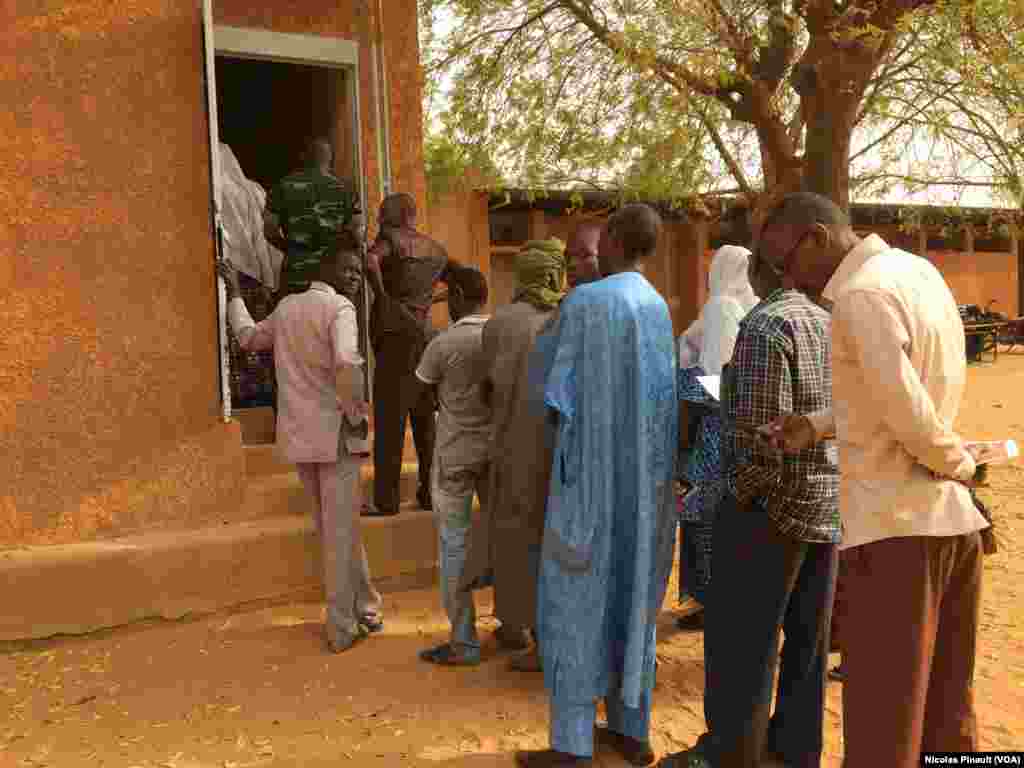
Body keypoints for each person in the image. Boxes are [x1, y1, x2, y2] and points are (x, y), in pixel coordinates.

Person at [762, 192, 987, 768]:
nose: (786, 280)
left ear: (816, 237)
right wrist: (815, 427)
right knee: (946, 717)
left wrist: (963, 465)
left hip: (896, 533)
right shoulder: (917, 271)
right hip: (949, 525)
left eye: (784, 263)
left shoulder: (861, 297)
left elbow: (907, 413)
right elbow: (890, 399)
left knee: (884, 724)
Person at [660, 198, 840, 768]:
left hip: (770, 511)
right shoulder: (826, 318)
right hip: (825, 506)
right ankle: (794, 750)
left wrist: (739, 498)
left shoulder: (766, 325)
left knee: (743, 642)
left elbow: (764, 438)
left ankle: (730, 753)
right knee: (806, 646)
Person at [516, 205, 678, 768]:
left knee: (576, 601)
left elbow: (549, 391)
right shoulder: (658, 306)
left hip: (588, 482)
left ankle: (572, 746)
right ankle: (632, 732)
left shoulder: (584, 304)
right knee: (634, 598)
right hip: (646, 489)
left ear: (611, 240)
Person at [217, 235, 383, 653]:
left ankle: (367, 607)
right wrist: (357, 415)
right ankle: (341, 626)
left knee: (334, 529)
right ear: (324, 271)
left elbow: (250, 338)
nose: (354, 277)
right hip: (335, 435)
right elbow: (346, 362)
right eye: (347, 269)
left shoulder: (288, 308)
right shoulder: (339, 309)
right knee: (338, 533)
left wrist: (235, 294)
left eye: (357, 272)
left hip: (299, 437)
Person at [466, 238, 568, 670]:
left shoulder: (498, 324)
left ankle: (514, 628)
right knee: (550, 544)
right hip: (555, 451)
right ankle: (547, 642)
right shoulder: (565, 319)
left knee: (512, 540)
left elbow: (484, 389)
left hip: (507, 448)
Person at [674, 244, 758, 631]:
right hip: (730, 426)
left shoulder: (723, 306)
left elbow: (716, 379)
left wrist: (687, 397)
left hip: (711, 427)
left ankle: (713, 602)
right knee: (712, 513)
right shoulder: (748, 305)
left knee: (704, 514)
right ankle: (714, 599)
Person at [414, 266, 492, 666]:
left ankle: (464, 642)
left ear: (460, 295)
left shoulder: (443, 344)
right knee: (506, 540)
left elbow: (422, 395)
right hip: (496, 455)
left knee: (454, 547)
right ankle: (515, 629)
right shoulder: (501, 336)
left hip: (455, 455)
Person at [364, 192, 449, 517]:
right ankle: (428, 494)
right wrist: (429, 303)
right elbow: (462, 281)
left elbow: (371, 261)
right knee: (425, 417)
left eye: (382, 214)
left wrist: (383, 296)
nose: (379, 221)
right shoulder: (436, 250)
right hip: (426, 335)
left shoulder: (390, 240)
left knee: (389, 418)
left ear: (393, 216)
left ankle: (386, 500)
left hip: (397, 336)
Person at [219, 143, 284, 408]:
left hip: (231, 274)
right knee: (257, 339)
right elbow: (266, 242)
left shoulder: (217, 188)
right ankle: (262, 398)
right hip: (258, 279)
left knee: (240, 336)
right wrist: (271, 281)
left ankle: (243, 400)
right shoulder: (255, 191)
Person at [264, 137, 358, 301]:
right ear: (330, 158)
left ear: (303, 157)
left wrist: (289, 248)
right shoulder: (345, 189)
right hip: (333, 275)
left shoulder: (284, 186)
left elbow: (269, 230)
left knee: (293, 321)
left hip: (296, 271)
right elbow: (356, 232)